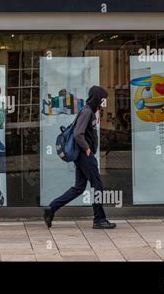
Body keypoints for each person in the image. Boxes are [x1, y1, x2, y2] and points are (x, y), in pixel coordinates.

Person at [43, 85, 117, 229]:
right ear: (97, 98)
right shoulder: (87, 111)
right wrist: (87, 148)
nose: (103, 102)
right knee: (97, 186)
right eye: (102, 99)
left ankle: (51, 209)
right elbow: (78, 133)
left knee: (79, 188)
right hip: (84, 156)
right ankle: (99, 220)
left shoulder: (90, 111)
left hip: (83, 155)